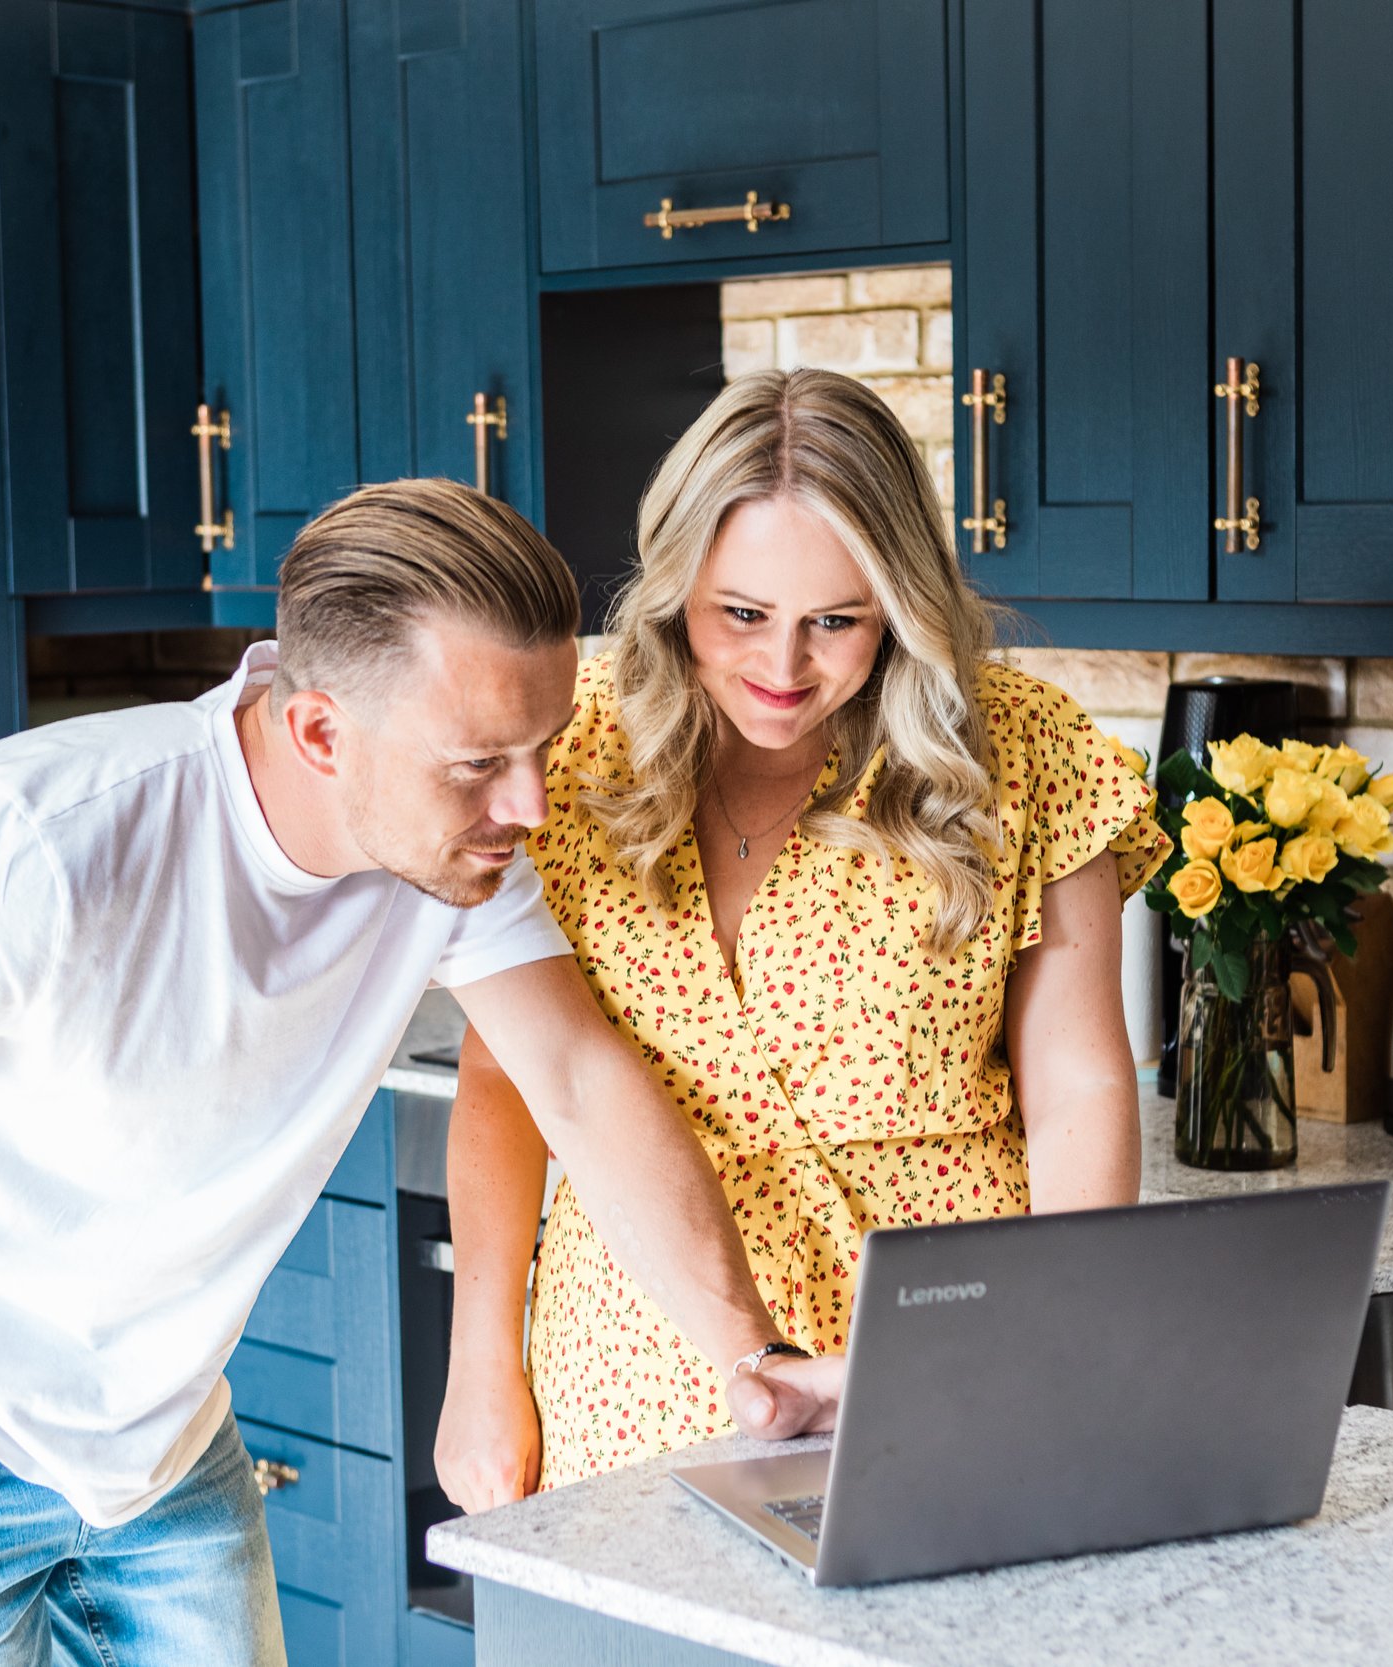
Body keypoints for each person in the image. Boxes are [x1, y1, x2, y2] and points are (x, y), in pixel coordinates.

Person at [0, 479, 841, 1667]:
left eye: (540, 747)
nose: (526, 804)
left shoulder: (455, 854)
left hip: (156, 1444)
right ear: (318, 730)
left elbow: (578, 1080)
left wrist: (753, 1361)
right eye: (478, 762)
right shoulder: (34, 853)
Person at [434, 369, 1168, 1508]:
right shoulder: (567, 748)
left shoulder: (1021, 751)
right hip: (630, 1358)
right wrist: (480, 1367)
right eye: (740, 614)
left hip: (937, 1351)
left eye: (837, 620)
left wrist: (1054, 1333)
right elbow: (507, 1079)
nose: (782, 668)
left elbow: (1076, 1076)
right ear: (677, 582)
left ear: (900, 602)